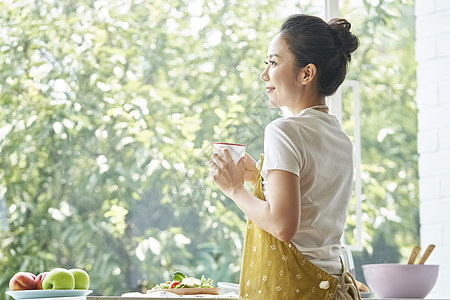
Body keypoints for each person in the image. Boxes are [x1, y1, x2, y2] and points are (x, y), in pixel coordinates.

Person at [209, 14, 360, 300]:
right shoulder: (340, 137)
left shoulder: (283, 131)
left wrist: (234, 190)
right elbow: (312, 203)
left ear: (306, 74)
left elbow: (283, 225)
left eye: (274, 62)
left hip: (297, 289)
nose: (265, 74)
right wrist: (258, 177)